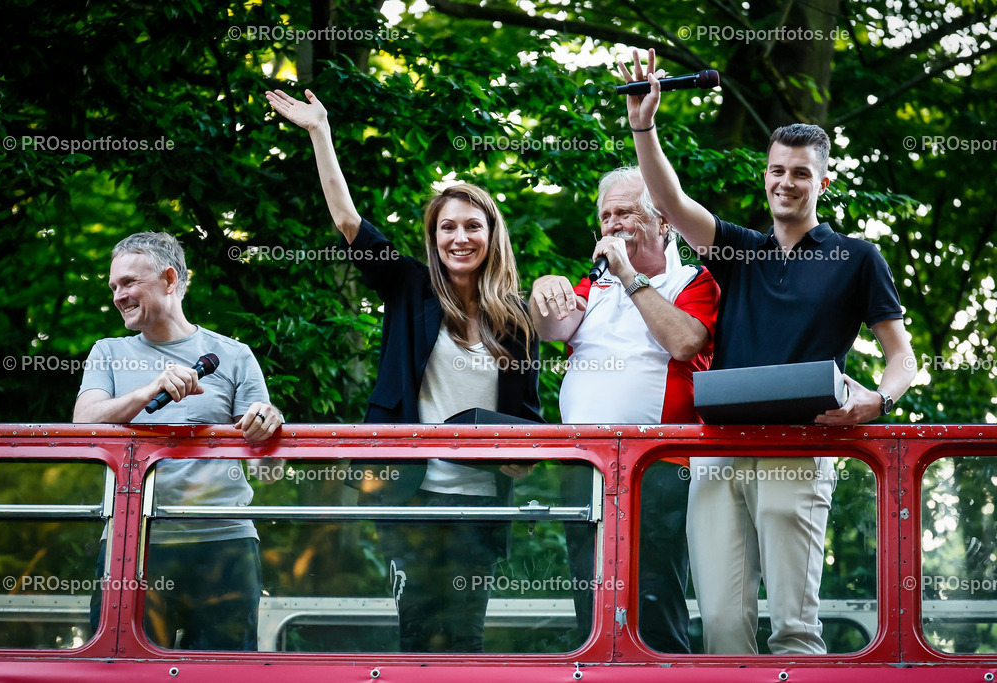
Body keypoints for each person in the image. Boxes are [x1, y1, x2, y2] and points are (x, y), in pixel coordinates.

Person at [618, 49, 916, 654]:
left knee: (794, 630)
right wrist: (643, 125)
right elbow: (671, 203)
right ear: (766, 176)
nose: (787, 181)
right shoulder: (740, 249)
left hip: (799, 451)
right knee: (722, 630)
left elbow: (903, 357)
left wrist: (878, 400)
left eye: (801, 172)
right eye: (778, 170)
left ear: (822, 182)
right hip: (718, 451)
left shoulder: (858, 258)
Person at [266, 88, 542, 652]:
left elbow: (528, 421)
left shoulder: (516, 320)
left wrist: (521, 459)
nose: (459, 238)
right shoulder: (409, 286)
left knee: (465, 637)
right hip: (413, 495)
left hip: (481, 504)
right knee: (417, 634)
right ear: (433, 236)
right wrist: (321, 131)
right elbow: (347, 219)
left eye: (472, 226)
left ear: (492, 236)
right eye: (447, 227)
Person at [531, 166, 719, 652]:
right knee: (588, 607)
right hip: (585, 465)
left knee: (653, 605)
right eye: (606, 215)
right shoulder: (592, 285)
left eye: (627, 213)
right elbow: (551, 330)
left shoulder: (693, 280)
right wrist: (542, 292)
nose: (613, 224)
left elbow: (684, 343)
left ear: (665, 223)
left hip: (658, 466)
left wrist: (631, 278)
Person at [74, 231, 283, 650]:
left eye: (129, 283)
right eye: (114, 287)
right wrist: (146, 391)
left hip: (224, 543)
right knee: (122, 674)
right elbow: (84, 427)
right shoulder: (108, 352)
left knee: (222, 675)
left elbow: (268, 471)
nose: (118, 295)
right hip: (131, 543)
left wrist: (270, 424)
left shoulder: (235, 355)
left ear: (170, 280)